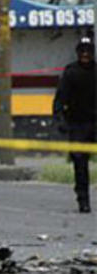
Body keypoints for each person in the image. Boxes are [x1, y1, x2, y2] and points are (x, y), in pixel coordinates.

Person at [53, 36, 96, 213]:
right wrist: (60, 119)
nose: (85, 55)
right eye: (82, 51)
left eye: (88, 51)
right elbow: (60, 99)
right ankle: (83, 199)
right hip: (78, 124)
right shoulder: (71, 72)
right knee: (80, 165)